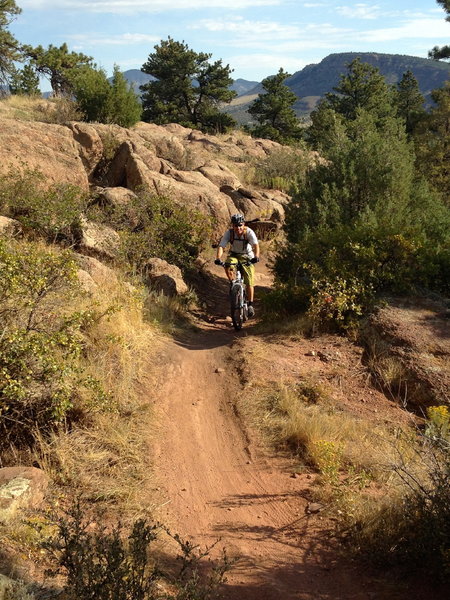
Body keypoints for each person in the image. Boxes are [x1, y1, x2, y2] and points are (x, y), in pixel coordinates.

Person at [215, 214, 260, 318]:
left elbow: (256, 245)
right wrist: (218, 258)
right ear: (233, 226)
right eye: (236, 226)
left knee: (249, 281)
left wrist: (256, 257)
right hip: (234, 254)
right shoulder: (229, 233)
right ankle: (232, 283)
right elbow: (221, 246)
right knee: (228, 264)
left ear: (243, 224)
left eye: (240, 225)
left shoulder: (248, 232)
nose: (238, 228)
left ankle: (250, 305)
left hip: (247, 256)